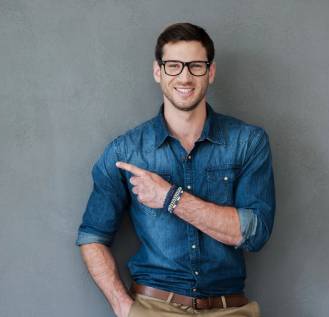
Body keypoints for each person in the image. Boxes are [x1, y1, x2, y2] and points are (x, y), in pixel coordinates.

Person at [76, 22, 275, 317]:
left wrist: (171, 197)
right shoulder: (126, 151)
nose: (184, 76)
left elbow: (255, 232)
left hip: (230, 309)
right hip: (153, 306)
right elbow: (92, 235)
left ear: (211, 72)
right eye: (173, 66)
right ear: (158, 72)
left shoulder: (248, 142)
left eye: (195, 66)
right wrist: (123, 307)